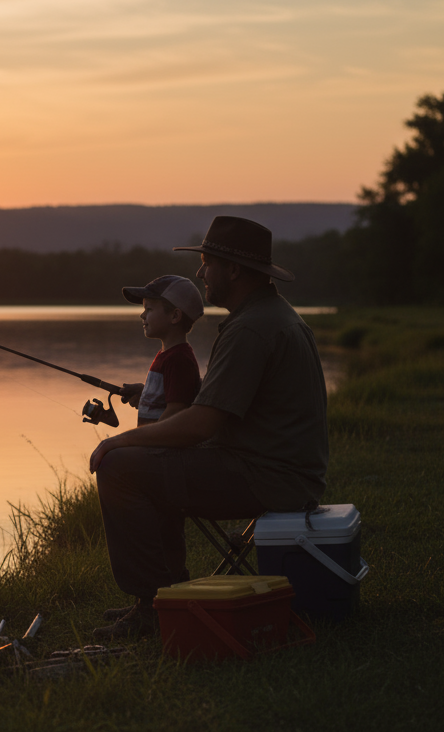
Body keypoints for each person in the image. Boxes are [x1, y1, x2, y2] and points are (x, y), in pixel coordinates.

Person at [89, 216, 329, 640]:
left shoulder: (250, 329)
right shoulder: (270, 315)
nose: (200, 273)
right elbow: (214, 403)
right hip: (281, 469)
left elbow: (200, 424)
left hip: (268, 477)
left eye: (207, 263)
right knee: (146, 460)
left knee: (121, 467)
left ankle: (152, 606)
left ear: (233, 270)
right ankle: (167, 595)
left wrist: (120, 440)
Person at [116, 275, 205, 428]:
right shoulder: (167, 354)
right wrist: (146, 395)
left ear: (175, 316)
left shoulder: (179, 359)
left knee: (110, 451)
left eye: (149, 309)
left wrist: (138, 439)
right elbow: (170, 397)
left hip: (158, 447)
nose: (142, 315)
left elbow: (176, 413)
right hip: (151, 443)